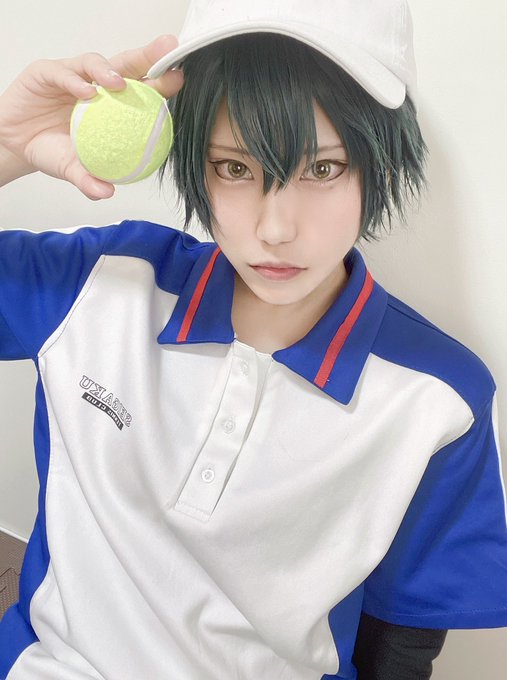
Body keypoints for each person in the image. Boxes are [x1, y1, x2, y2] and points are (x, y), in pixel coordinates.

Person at [0, 1, 506, 678]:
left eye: (323, 169)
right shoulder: (101, 282)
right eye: (235, 168)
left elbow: (403, 638)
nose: (275, 229)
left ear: (383, 166)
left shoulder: (440, 397)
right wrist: (5, 148)